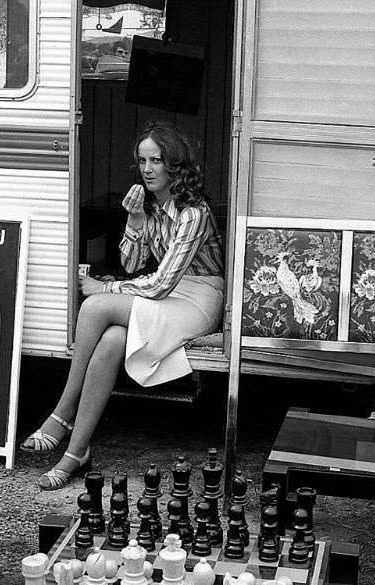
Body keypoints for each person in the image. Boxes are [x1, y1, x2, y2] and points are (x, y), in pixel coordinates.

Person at [20, 121, 225, 490]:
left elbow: (160, 283)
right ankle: (77, 451)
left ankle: (62, 412)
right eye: (142, 161)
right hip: (170, 295)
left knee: (97, 306)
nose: (147, 169)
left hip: (199, 297)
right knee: (113, 338)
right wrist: (133, 220)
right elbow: (133, 263)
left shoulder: (194, 213)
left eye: (157, 160)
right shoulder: (152, 206)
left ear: (174, 165)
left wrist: (107, 287)